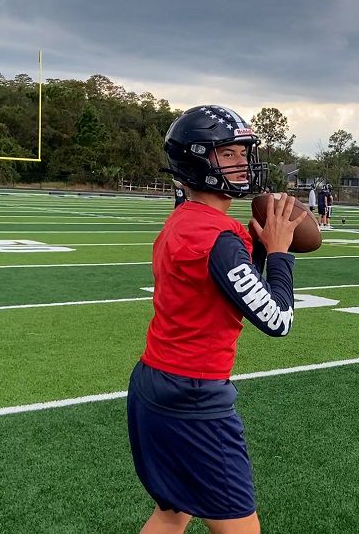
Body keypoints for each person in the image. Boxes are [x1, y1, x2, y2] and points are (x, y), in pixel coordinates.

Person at [128, 105, 308, 534]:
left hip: (155, 381)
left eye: (242, 152)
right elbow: (277, 319)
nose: (242, 162)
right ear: (197, 159)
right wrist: (280, 255)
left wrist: (261, 249)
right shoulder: (216, 238)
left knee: (173, 513)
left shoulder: (185, 222)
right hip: (194, 395)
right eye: (227, 154)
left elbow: (225, 284)